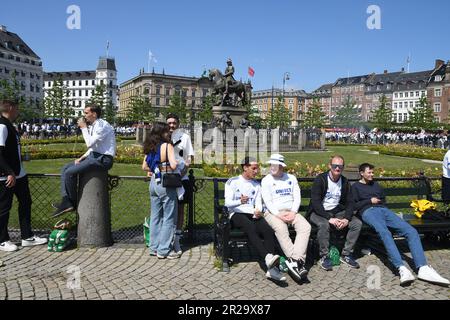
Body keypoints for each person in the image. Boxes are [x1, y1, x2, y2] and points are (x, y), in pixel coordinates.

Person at [352, 163, 449, 286]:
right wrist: (369, 201)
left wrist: (384, 210)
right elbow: (353, 206)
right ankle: (401, 268)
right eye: (369, 172)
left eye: (372, 172)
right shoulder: (355, 187)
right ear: (361, 173)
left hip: (383, 211)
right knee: (385, 233)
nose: (372, 175)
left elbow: (384, 201)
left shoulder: (376, 185)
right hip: (368, 212)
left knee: (411, 231)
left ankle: (423, 268)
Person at [225, 157, 286, 282]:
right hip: (237, 213)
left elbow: (258, 203)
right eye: (253, 168)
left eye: (257, 168)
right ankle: (268, 258)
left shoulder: (257, 185)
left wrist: (258, 211)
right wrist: (239, 201)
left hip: (252, 214)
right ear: (245, 168)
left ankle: (271, 270)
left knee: (267, 230)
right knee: (250, 227)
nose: (256, 171)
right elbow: (227, 203)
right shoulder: (233, 182)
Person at [52, 104, 116, 217]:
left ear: (94, 114)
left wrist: (83, 128)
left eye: (86, 113)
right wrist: (82, 158)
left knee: (70, 172)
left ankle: (71, 203)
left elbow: (89, 143)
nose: (84, 116)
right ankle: (66, 200)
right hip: (95, 156)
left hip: (103, 160)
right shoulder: (96, 125)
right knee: (65, 168)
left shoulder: (101, 126)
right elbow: (94, 147)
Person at [0, 100, 47, 252]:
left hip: (19, 174)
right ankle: (2, 240)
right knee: (4, 208)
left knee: (26, 203)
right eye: (17, 108)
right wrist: (9, 172)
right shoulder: (2, 126)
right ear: (11, 108)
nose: (19, 111)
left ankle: (27, 237)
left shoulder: (9, 125)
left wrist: (21, 159)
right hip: (7, 176)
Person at [261, 154, 311, 282]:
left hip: (291, 212)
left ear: (282, 166)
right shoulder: (266, 180)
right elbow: (267, 201)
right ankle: (297, 262)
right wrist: (278, 214)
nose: (272, 167)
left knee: (305, 227)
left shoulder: (291, 178)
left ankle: (294, 261)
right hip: (273, 213)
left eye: (275, 165)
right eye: (271, 164)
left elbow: (297, 196)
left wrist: (293, 212)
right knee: (281, 228)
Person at [307, 155, 362, 271]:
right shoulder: (320, 179)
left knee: (356, 224)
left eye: (340, 166)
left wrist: (347, 218)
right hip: (318, 212)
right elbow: (316, 203)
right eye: (334, 166)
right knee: (324, 225)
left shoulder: (345, 182)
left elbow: (350, 202)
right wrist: (328, 218)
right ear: (329, 166)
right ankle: (324, 256)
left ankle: (346, 254)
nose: (337, 168)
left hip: (337, 211)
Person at [142, 122, 180, 259]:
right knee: (169, 217)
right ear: (162, 132)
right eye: (166, 131)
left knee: (155, 216)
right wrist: (183, 163)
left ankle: (153, 247)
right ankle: (164, 250)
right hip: (165, 181)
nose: (168, 133)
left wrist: (155, 169)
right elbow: (174, 165)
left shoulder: (150, 146)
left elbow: (144, 167)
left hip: (153, 182)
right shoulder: (167, 145)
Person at [166, 113, 194, 255]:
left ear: (178, 123)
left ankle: (176, 239)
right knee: (168, 210)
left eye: (174, 123)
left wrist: (184, 170)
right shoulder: (163, 137)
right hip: (166, 178)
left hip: (181, 178)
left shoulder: (185, 137)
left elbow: (189, 157)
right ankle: (166, 239)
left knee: (180, 210)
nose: (171, 125)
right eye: (169, 123)